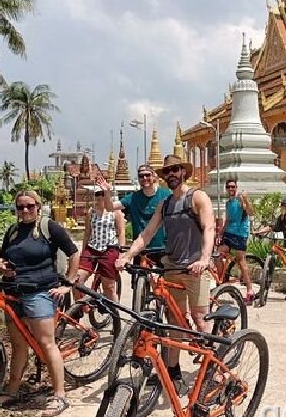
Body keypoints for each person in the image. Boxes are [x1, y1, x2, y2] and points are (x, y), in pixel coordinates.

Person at [116, 155, 215, 385]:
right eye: (167, 171)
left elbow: (209, 228)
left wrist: (204, 258)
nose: (171, 174)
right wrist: (127, 255)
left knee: (200, 320)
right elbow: (147, 234)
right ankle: (172, 372)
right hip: (172, 267)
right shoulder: (166, 204)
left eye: (175, 170)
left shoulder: (197, 197)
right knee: (174, 323)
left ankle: (213, 368)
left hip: (195, 268)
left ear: (183, 172)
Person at [0, 190, 79, 417]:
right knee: (18, 345)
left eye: (29, 206)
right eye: (20, 207)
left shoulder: (49, 227)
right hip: (13, 292)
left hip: (40, 292)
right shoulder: (12, 231)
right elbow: (2, 256)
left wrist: (69, 283)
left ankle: (59, 395)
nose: (25, 211)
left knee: (46, 344)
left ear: (38, 206)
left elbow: (73, 252)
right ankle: (13, 390)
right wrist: (1, 266)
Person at [74, 175, 125, 303]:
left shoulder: (115, 212)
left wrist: (122, 254)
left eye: (103, 194)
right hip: (92, 248)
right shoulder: (91, 212)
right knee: (76, 280)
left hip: (109, 249)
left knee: (108, 287)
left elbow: (121, 232)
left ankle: (116, 316)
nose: (100, 197)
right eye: (98, 194)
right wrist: (83, 252)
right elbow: (87, 233)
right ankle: (80, 309)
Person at [114, 164, 171, 250]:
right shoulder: (132, 198)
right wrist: (106, 193)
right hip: (139, 248)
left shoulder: (166, 195)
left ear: (154, 176)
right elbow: (110, 207)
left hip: (161, 248)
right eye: (141, 176)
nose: (144, 178)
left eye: (147, 175)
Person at [216, 178, 255, 304]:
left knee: (240, 261)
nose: (231, 189)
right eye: (229, 187)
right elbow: (227, 219)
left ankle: (249, 289)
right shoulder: (228, 203)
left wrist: (246, 199)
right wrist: (220, 233)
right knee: (217, 254)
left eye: (233, 187)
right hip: (229, 233)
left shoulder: (240, 200)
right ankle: (221, 282)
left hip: (240, 234)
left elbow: (250, 212)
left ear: (236, 188)